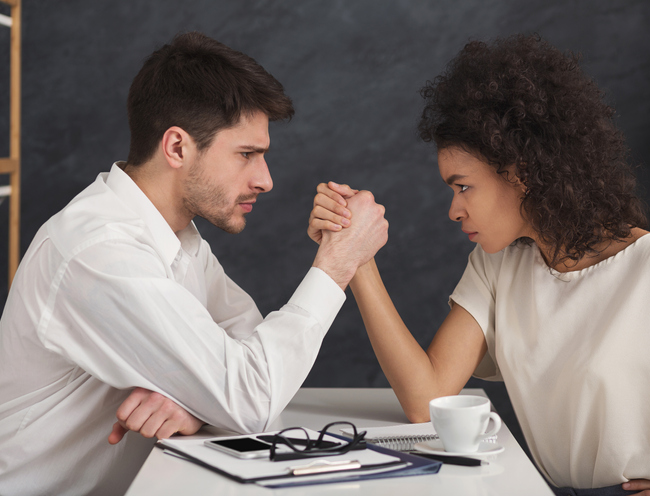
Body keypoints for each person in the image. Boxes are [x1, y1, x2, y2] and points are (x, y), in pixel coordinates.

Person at [309, 34, 650, 496]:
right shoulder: (498, 266)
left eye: (463, 187)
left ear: (520, 173)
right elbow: (427, 400)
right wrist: (356, 258)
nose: (454, 210)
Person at [0, 32, 388, 496]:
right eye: (247, 154)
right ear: (178, 148)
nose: (265, 179)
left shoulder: (176, 236)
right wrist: (337, 263)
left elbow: (252, 363)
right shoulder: (100, 251)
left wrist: (199, 404)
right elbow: (254, 395)